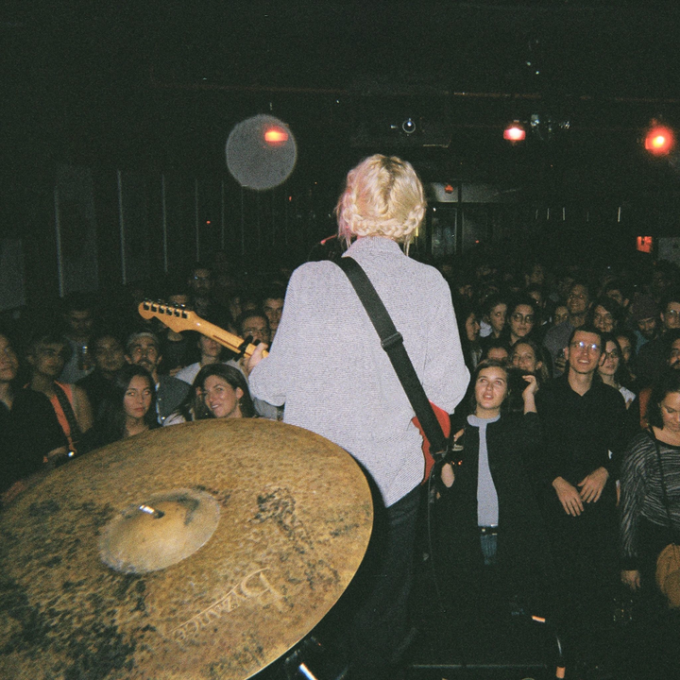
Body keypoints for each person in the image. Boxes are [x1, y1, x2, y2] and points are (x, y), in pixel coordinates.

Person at [246, 154, 469, 679]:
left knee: (314, 617)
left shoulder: (312, 279)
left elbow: (274, 388)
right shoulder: (431, 283)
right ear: (414, 218)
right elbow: (453, 388)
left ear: (348, 210)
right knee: (381, 623)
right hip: (391, 485)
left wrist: (257, 365)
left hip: (319, 485)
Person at [536, 325, 633, 669]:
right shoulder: (546, 395)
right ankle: (556, 666)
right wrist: (556, 480)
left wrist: (606, 471)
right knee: (558, 590)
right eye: (579, 344)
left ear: (602, 357)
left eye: (594, 348)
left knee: (596, 591)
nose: (585, 352)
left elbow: (624, 446)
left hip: (596, 506)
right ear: (566, 352)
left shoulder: (610, 400)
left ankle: (591, 665)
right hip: (556, 506)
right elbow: (533, 447)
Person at [435, 361, 551, 620]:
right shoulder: (455, 432)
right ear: (473, 387)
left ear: (507, 391)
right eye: (483, 380)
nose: (489, 387)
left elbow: (534, 440)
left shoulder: (513, 428)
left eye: (498, 382)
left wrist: (529, 396)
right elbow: (452, 489)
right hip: (468, 536)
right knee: (474, 612)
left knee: (510, 614)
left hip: (509, 536)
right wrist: (443, 460)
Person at [619, 371, 680, 676]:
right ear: (658, 407)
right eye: (671, 410)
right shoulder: (644, 446)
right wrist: (629, 561)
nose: (678, 419)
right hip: (656, 543)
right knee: (658, 633)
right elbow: (628, 507)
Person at [0, 331, 68, 506]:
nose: (6, 357)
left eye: (8, 350)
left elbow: (59, 455)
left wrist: (31, 480)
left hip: (37, 499)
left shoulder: (33, 401)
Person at [26, 331, 93, 455]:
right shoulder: (20, 399)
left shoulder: (75, 393)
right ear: (31, 358)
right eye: (49, 353)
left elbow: (89, 441)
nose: (56, 360)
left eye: (61, 355)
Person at [85, 364, 159, 449]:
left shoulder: (158, 432)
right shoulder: (98, 438)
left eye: (146, 393)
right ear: (118, 395)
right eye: (131, 393)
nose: (140, 400)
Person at [125, 331, 189, 424]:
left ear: (159, 358)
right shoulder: (121, 393)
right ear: (128, 358)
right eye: (138, 350)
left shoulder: (179, 390)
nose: (144, 354)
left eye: (150, 350)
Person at [597, 333, 636, 409]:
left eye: (614, 353)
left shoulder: (629, 396)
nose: (610, 359)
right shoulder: (587, 390)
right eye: (605, 355)